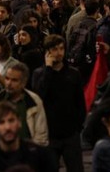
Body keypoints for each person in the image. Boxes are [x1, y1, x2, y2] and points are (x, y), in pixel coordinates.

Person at [31, 34, 86, 172]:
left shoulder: (73, 74)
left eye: (61, 48)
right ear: (47, 52)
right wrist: (48, 70)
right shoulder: (39, 74)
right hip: (49, 134)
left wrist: (78, 126)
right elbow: (38, 97)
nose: (59, 53)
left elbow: (80, 102)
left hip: (70, 134)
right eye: (55, 49)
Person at [0, 100, 57, 172]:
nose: (8, 127)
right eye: (1, 122)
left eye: (11, 120)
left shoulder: (40, 155)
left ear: (19, 122)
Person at [0, 62, 49, 146]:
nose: (8, 83)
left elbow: (41, 134)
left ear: (24, 83)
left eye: (14, 80)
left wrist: (34, 154)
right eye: (7, 78)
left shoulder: (34, 100)